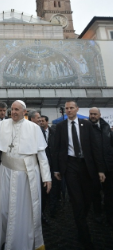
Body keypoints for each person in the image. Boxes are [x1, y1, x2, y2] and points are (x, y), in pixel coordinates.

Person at [0, 100, 51, 250]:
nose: (13, 112)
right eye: (12, 109)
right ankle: (4, 240)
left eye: (17, 109)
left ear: (24, 112)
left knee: (23, 213)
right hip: (5, 173)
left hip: (25, 177)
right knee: (4, 210)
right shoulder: (3, 124)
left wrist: (47, 177)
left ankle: (20, 244)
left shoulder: (33, 128)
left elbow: (42, 154)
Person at [53, 100, 105, 250]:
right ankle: (84, 234)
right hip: (70, 166)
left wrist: (100, 169)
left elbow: (95, 147)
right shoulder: (60, 127)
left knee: (88, 198)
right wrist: (56, 169)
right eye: (67, 108)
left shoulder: (87, 124)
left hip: (87, 166)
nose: (68, 110)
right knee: (76, 201)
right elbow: (56, 149)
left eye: (71, 108)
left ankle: (82, 221)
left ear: (77, 109)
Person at [89, 107, 113, 226]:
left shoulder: (106, 126)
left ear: (100, 114)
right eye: (91, 114)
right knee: (95, 193)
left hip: (108, 166)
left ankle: (109, 215)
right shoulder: (87, 128)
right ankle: (97, 214)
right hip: (93, 168)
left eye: (95, 114)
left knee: (109, 193)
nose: (93, 116)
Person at [28, 110, 50, 225]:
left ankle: (41, 214)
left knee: (43, 193)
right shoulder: (27, 130)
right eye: (38, 118)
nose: (39, 119)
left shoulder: (40, 130)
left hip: (42, 167)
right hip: (31, 168)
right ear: (32, 119)